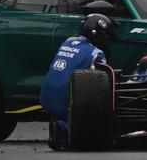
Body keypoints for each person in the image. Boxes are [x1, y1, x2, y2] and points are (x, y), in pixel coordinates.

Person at [40, 13, 119, 151]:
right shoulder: (96, 54)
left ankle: (61, 126)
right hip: (66, 103)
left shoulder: (67, 42)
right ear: (97, 34)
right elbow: (100, 88)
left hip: (45, 98)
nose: (106, 42)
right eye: (105, 38)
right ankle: (64, 128)